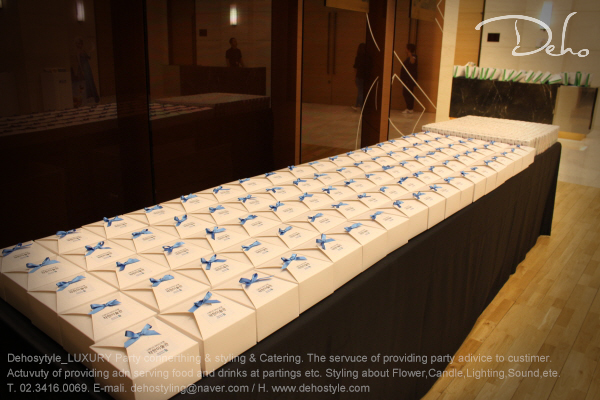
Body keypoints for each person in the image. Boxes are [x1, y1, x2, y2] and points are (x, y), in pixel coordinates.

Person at [400, 43, 418, 114]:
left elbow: (413, 62)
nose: (405, 49)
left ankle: (410, 108)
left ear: (409, 49)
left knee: (408, 93)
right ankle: (409, 107)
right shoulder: (407, 58)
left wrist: (410, 54)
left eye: (406, 48)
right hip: (406, 79)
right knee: (406, 93)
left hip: (409, 80)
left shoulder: (414, 56)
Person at [352, 43, 368, 111]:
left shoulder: (357, 57)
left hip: (358, 76)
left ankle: (357, 105)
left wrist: (355, 77)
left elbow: (355, 68)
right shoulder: (367, 58)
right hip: (365, 77)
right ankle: (361, 107)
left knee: (360, 92)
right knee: (361, 92)